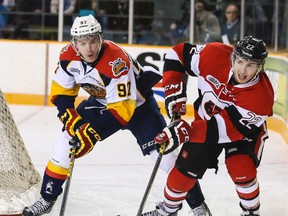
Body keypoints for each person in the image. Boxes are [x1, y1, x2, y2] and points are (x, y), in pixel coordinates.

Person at [22, 14, 211, 216]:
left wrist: (93, 133)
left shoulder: (116, 61)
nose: (89, 48)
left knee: (165, 157)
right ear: (74, 43)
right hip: (101, 103)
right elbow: (61, 94)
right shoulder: (68, 57)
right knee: (66, 141)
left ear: (100, 39)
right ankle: (47, 198)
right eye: (83, 42)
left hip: (139, 108)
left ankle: (198, 207)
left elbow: (122, 110)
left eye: (93, 41)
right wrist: (75, 124)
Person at [141, 35, 274, 216]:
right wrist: (173, 89)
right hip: (205, 123)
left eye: (251, 65)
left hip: (241, 131)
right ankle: (167, 211)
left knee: (240, 164)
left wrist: (185, 133)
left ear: (260, 66)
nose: (243, 70)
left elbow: (222, 131)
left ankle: (251, 212)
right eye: (240, 61)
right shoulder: (214, 54)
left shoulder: (261, 97)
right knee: (182, 173)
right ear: (233, 57)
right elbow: (177, 54)